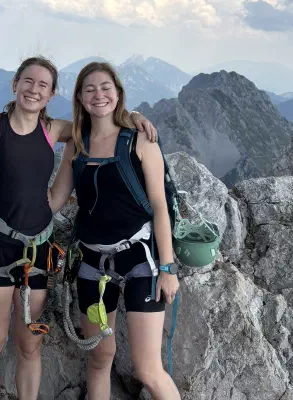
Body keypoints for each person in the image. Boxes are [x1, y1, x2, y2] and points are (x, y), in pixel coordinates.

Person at [0, 57, 157, 400]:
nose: (34, 90)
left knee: (30, 346)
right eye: (28, 81)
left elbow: (100, 122)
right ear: (15, 84)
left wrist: (133, 116)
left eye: (43, 85)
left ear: (52, 93)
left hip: (37, 251)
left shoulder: (53, 130)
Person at [48, 62, 181, 400]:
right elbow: (54, 200)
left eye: (106, 87)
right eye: (89, 89)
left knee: (148, 369)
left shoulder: (140, 140)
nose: (99, 95)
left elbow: (159, 206)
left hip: (140, 259)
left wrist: (167, 268)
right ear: (80, 97)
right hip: (92, 263)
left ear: (118, 93)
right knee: (98, 358)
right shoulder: (76, 144)